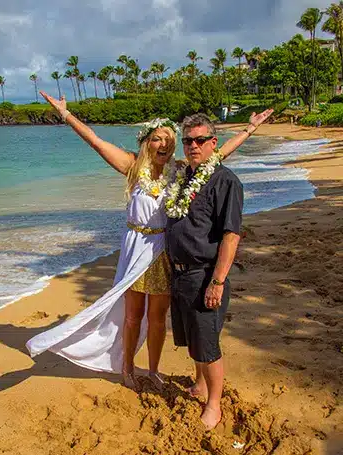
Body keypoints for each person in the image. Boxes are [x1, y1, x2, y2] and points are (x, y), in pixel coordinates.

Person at [26, 91, 272, 391]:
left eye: (169, 139)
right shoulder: (131, 166)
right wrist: (65, 114)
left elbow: (217, 155)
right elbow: (95, 141)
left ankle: (154, 369)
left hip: (163, 251)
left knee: (158, 319)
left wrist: (250, 129)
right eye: (158, 138)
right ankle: (127, 368)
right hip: (135, 249)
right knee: (132, 317)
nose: (165, 144)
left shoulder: (180, 171)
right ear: (146, 142)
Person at [166, 113, 244, 430]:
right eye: (188, 140)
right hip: (180, 273)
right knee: (193, 340)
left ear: (213, 143)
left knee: (208, 345)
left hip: (205, 273)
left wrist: (218, 282)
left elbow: (231, 235)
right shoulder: (185, 177)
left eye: (200, 140)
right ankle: (199, 385)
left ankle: (214, 404)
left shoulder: (226, 181)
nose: (193, 146)